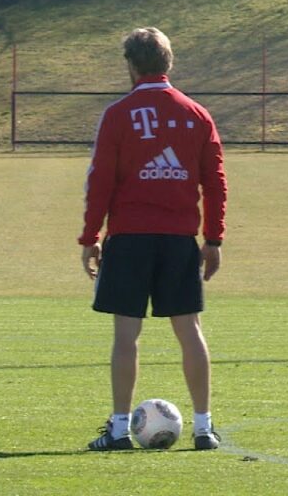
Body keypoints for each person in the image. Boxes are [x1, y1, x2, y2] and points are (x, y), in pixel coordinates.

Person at [79, 27, 228, 451]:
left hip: (129, 238)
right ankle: (203, 429)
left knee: (127, 335)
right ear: (169, 63)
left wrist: (90, 236)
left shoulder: (119, 114)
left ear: (130, 65)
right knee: (190, 331)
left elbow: (100, 181)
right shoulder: (197, 114)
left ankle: (121, 429)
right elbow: (215, 181)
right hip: (179, 238)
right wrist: (213, 239)